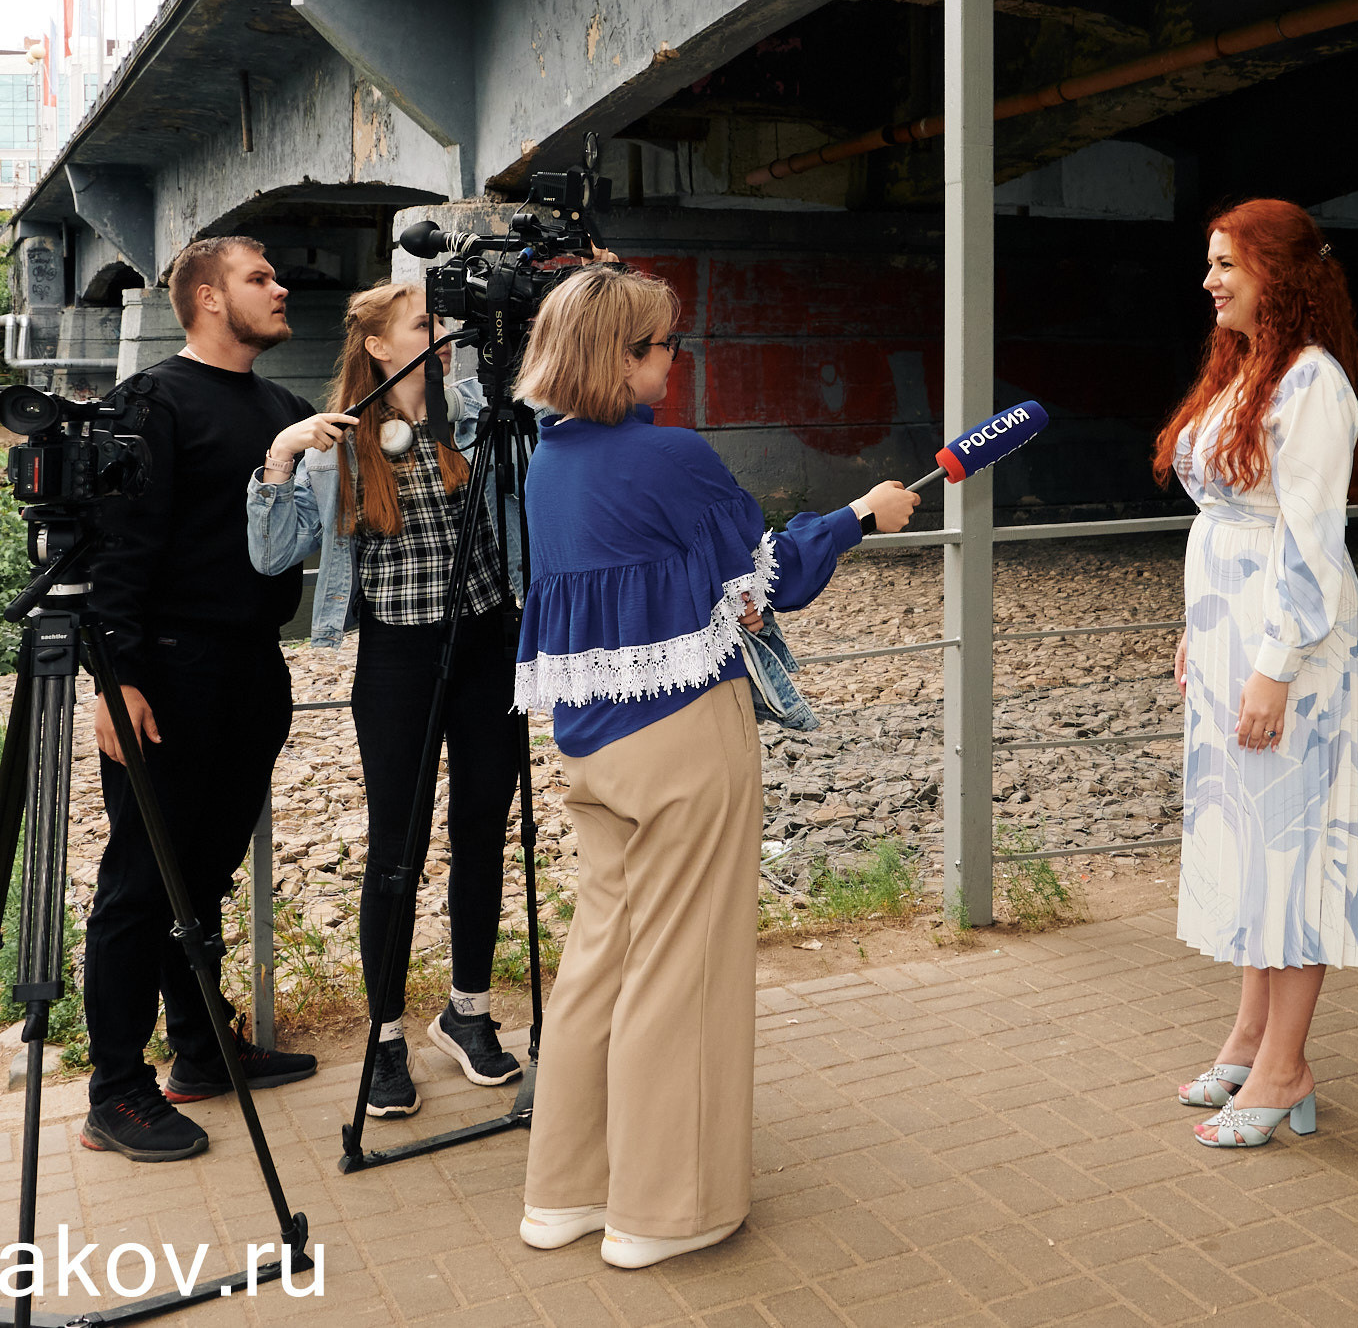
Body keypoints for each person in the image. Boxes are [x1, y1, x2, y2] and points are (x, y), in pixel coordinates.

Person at [508, 266, 921, 1269]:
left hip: (585, 743)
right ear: (620, 357)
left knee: (599, 961)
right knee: (681, 971)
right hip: (685, 735)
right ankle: (664, 1213)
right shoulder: (671, 459)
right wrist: (864, 514)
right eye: (659, 344)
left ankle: (561, 1197)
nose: (672, 359)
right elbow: (770, 575)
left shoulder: (545, 462)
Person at [247, 281, 525, 1125]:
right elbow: (270, 556)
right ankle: (387, 1035)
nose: (439, 337)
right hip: (398, 663)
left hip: (488, 645)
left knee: (483, 829)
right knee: (395, 851)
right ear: (376, 344)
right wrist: (281, 456)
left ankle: (467, 1012)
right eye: (422, 325)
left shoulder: (473, 415)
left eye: (440, 324)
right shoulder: (336, 449)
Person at [78, 235, 322, 1162]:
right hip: (169, 672)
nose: (280, 283)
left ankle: (200, 1052)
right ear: (209, 298)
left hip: (252, 666)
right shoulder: (155, 400)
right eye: (260, 276)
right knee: (144, 882)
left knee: (205, 875)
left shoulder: (281, 407)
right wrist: (119, 678)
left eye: (274, 270)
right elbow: (118, 551)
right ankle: (115, 1089)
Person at [1153, 198, 1358, 1151]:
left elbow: (1310, 542)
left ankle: (1289, 1065)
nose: (1210, 279)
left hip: (1290, 657)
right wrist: (1196, 631)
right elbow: (1224, 523)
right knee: (1253, 849)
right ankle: (1250, 1040)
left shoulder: (1315, 384)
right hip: (1231, 645)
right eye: (1209, 264)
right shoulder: (1245, 367)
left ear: (1277, 273)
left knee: (1292, 853)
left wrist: (1273, 668)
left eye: (1226, 264)